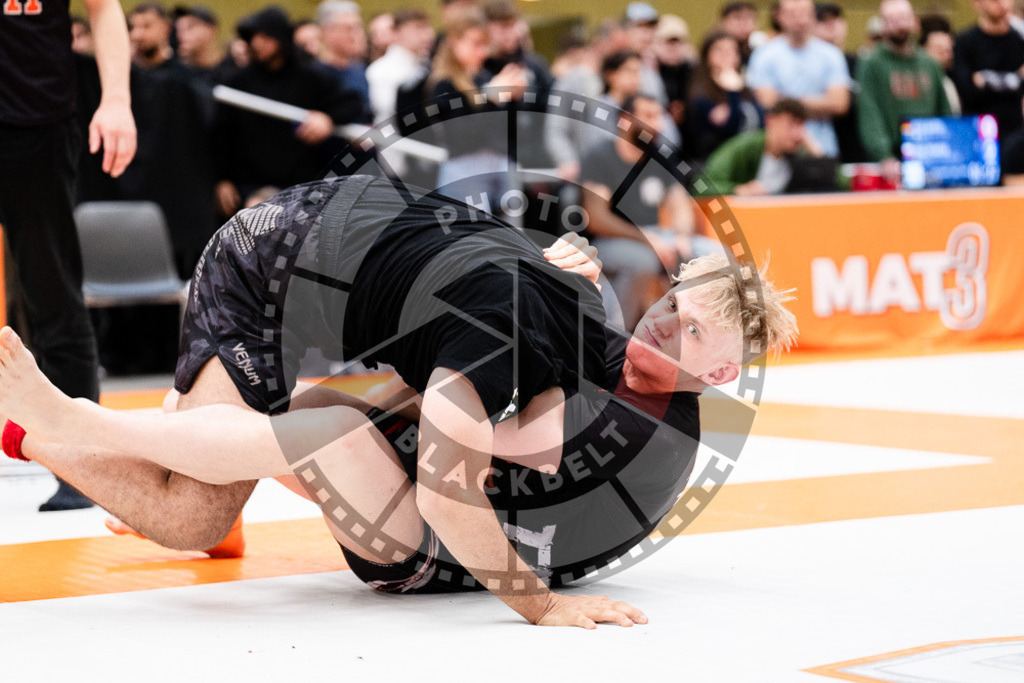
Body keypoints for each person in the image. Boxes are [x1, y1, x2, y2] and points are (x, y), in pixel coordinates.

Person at [0, 176, 798, 627]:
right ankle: (66, 424)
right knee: (200, 509)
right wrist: (541, 603)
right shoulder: (517, 323)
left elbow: (519, 417)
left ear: (721, 372)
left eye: (690, 333)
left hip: (354, 253)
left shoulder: (577, 321)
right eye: (671, 309)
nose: (664, 329)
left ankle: (136, 439)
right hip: (261, 269)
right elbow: (452, 490)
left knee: (337, 420)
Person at [0, 0, 136, 510]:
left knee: (52, 289)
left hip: (37, 122)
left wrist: (117, 99)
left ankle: (82, 466)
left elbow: (103, 9)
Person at [579, 95, 719, 329]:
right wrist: (648, 239)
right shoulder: (600, 157)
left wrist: (680, 237)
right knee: (643, 261)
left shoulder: (661, 156)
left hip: (657, 237)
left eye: (659, 116)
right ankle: (614, 336)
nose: (657, 124)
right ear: (624, 120)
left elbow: (679, 204)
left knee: (712, 254)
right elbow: (598, 219)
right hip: (606, 241)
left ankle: (700, 336)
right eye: (648, 116)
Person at [213, 6, 363, 217]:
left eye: (265, 36)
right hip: (249, 187)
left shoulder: (309, 77)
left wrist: (327, 118)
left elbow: (352, 103)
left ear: (280, 37)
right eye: (254, 37)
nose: (258, 43)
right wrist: (222, 179)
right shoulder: (238, 82)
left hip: (301, 186)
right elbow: (222, 134)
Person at [428, 7, 528, 214]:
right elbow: (460, 137)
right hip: (464, 172)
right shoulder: (443, 85)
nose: (482, 52)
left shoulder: (484, 77)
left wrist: (513, 98)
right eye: (475, 44)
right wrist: (490, 97)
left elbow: (508, 132)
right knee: (474, 241)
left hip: (498, 168)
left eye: (485, 45)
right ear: (454, 41)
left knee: (510, 241)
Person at [857, 0, 951, 181]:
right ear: (883, 25)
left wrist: (946, 148)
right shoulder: (871, 63)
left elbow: (944, 110)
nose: (899, 25)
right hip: (893, 155)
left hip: (931, 152)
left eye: (903, 18)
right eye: (891, 20)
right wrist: (884, 155)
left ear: (914, 22)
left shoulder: (930, 64)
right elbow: (869, 113)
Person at [747, 0, 851, 158]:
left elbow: (839, 104)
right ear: (779, 16)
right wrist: (821, 103)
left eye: (804, 13)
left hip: (823, 147)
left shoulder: (831, 55)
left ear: (813, 16)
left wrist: (786, 101)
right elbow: (767, 102)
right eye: (792, 13)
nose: (800, 20)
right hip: (778, 151)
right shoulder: (764, 55)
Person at [703, 98, 833, 195]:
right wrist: (737, 190)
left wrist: (817, 154)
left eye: (801, 126)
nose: (797, 133)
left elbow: (838, 183)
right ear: (770, 121)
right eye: (791, 124)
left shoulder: (800, 152)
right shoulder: (744, 147)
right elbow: (700, 186)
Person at [686, 31, 764, 162]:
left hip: (748, 160)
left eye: (733, 50)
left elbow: (761, 123)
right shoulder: (701, 95)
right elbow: (730, 131)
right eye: (720, 50)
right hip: (717, 163)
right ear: (707, 56)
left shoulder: (745, 90)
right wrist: (733, 93)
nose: (727, 55)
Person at [953, 0, 1024, 140]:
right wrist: (1015, 78)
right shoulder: (965, 42)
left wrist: (985, 79)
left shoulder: (1019, 41)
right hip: (977, 130)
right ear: (977, 4)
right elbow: (967, 90)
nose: (1000, 3)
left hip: (1015, 130)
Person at [815, 2, 867, 163]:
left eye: (836, 19)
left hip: (857, 146)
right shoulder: (811, 66)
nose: (831, 24)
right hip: (823, 147)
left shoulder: (859, 62)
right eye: (823, 20)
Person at [366, 8, 434, 124]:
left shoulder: (428, 65)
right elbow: (391, 113)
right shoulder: (379, 70)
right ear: (397, 33)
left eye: (427, 27)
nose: (427, 34)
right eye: (418, 28)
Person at [317, 0, 373, 124]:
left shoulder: (360, 70)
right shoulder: (313, 75)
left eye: (358, 28)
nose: (356, 35)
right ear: (328, 31)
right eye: (349, 28)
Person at [654, 14, 695, 143]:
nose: (673, 48)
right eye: (668, 43)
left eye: (677, 42)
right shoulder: (649, 73)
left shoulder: (693, 72)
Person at [920, 15, 962, 114]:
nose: (947, 56)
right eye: (940, 51)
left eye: (948, 50)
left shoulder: (951, 82)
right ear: (924, 50)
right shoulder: (921, 81)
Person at [128, 3, 181, 73]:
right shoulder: (126, 71)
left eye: (146, 26)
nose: (136, 34)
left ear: (166, 27)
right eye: (133, 27)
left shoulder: (181, 71)